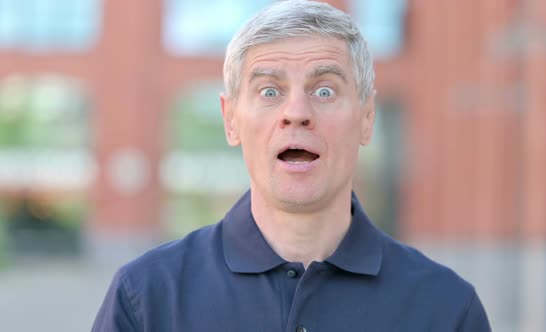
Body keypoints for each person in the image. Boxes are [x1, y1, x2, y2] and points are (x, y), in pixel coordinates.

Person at [92, 1, 492, 331]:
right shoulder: (147, 297)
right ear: (231, 119)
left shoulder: (447, 308)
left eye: (324, 90)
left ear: (367, 117)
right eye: (269, 91)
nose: (296, 113)